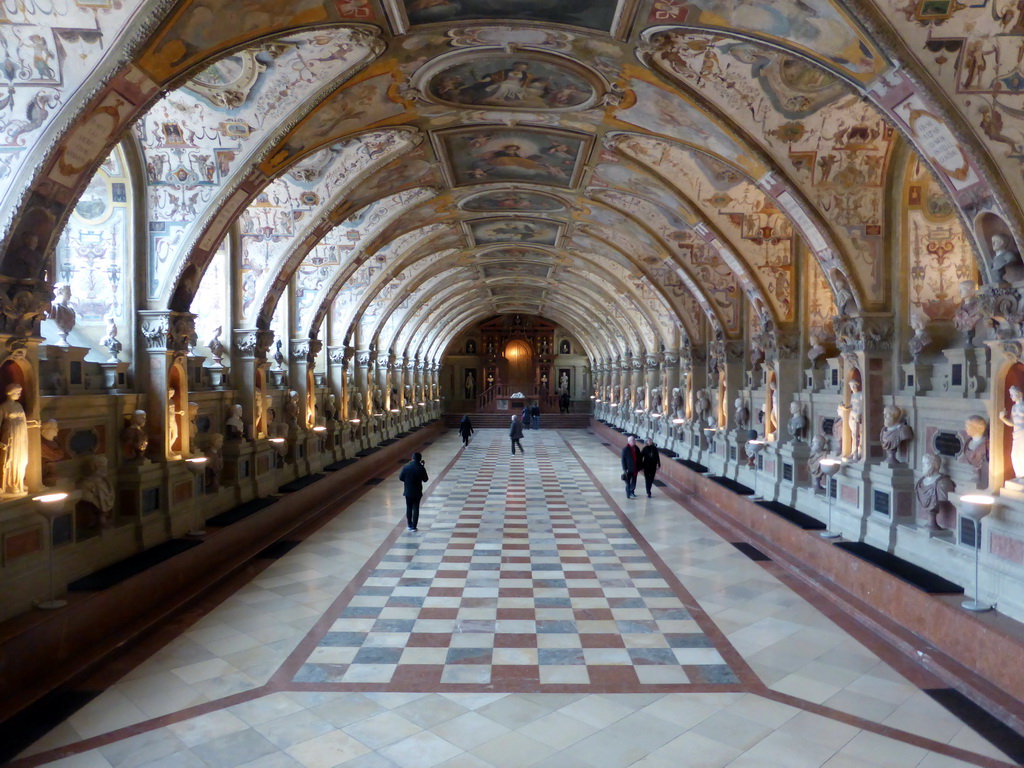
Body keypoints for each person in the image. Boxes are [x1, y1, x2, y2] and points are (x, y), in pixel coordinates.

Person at [398, 452, 428, 532]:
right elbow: (425, 479)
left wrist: (407, 480)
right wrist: (422, 467)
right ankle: (414, 526)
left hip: (408, 491)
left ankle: (409, 524)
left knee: (409, 507)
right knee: (416, 508)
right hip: (417, 491)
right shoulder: (421, 468)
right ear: (420, 459)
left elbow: (401, 478)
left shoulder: (406, 467)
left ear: (412, 458)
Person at [999, 385, 1024, 479]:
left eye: (1013, 394)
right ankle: (1019, 474)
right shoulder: (1014, 407)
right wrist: (1002, 418)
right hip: (1016, 433)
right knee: (1015, 454)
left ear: (1019, 394)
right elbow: (1012, 423)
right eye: (1010, 394)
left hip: (1023, 433)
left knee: (1022, 452)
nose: (1011, 396)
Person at [621, 435, 642, 499]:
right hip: (628, 469)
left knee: (634, 481)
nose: (634, 441)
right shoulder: (625, 449)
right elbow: (623, 460)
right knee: (628, 482)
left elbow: (639, 458)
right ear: (629, 441)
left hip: (635, 468)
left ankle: (632, 491)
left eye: (634, 440)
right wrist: (625, 469)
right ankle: (628, 493)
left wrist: (640, 466)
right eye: (633, 440)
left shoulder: (637, 448)